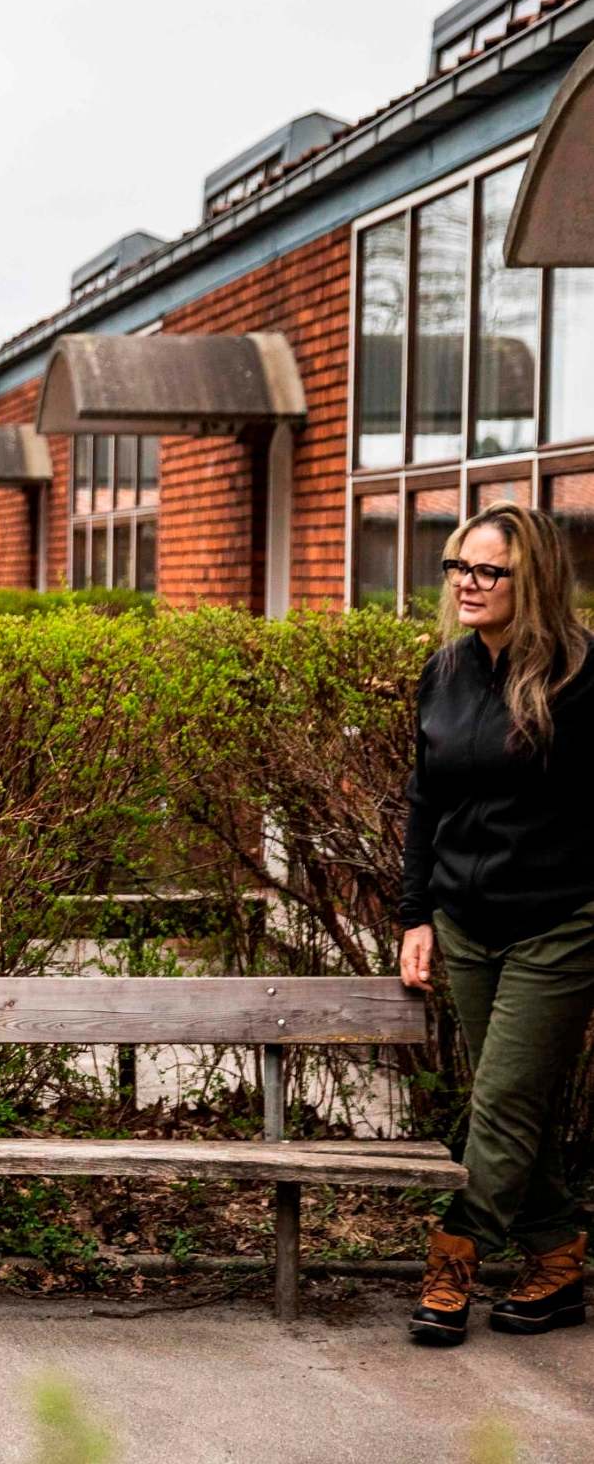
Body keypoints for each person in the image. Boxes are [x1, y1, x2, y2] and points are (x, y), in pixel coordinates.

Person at [398, 502, 594, 1347]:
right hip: (466, 924)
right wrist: (417, 914)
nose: (467, 584)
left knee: (505, 1101)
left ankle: (454, 1256)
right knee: (518, 1107)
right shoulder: (445, 673)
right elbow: (423, 802)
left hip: (559, 923)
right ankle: (557, 1257)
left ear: (534, 579)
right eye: (457, 567)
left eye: (488, 570)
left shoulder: (584, 677)